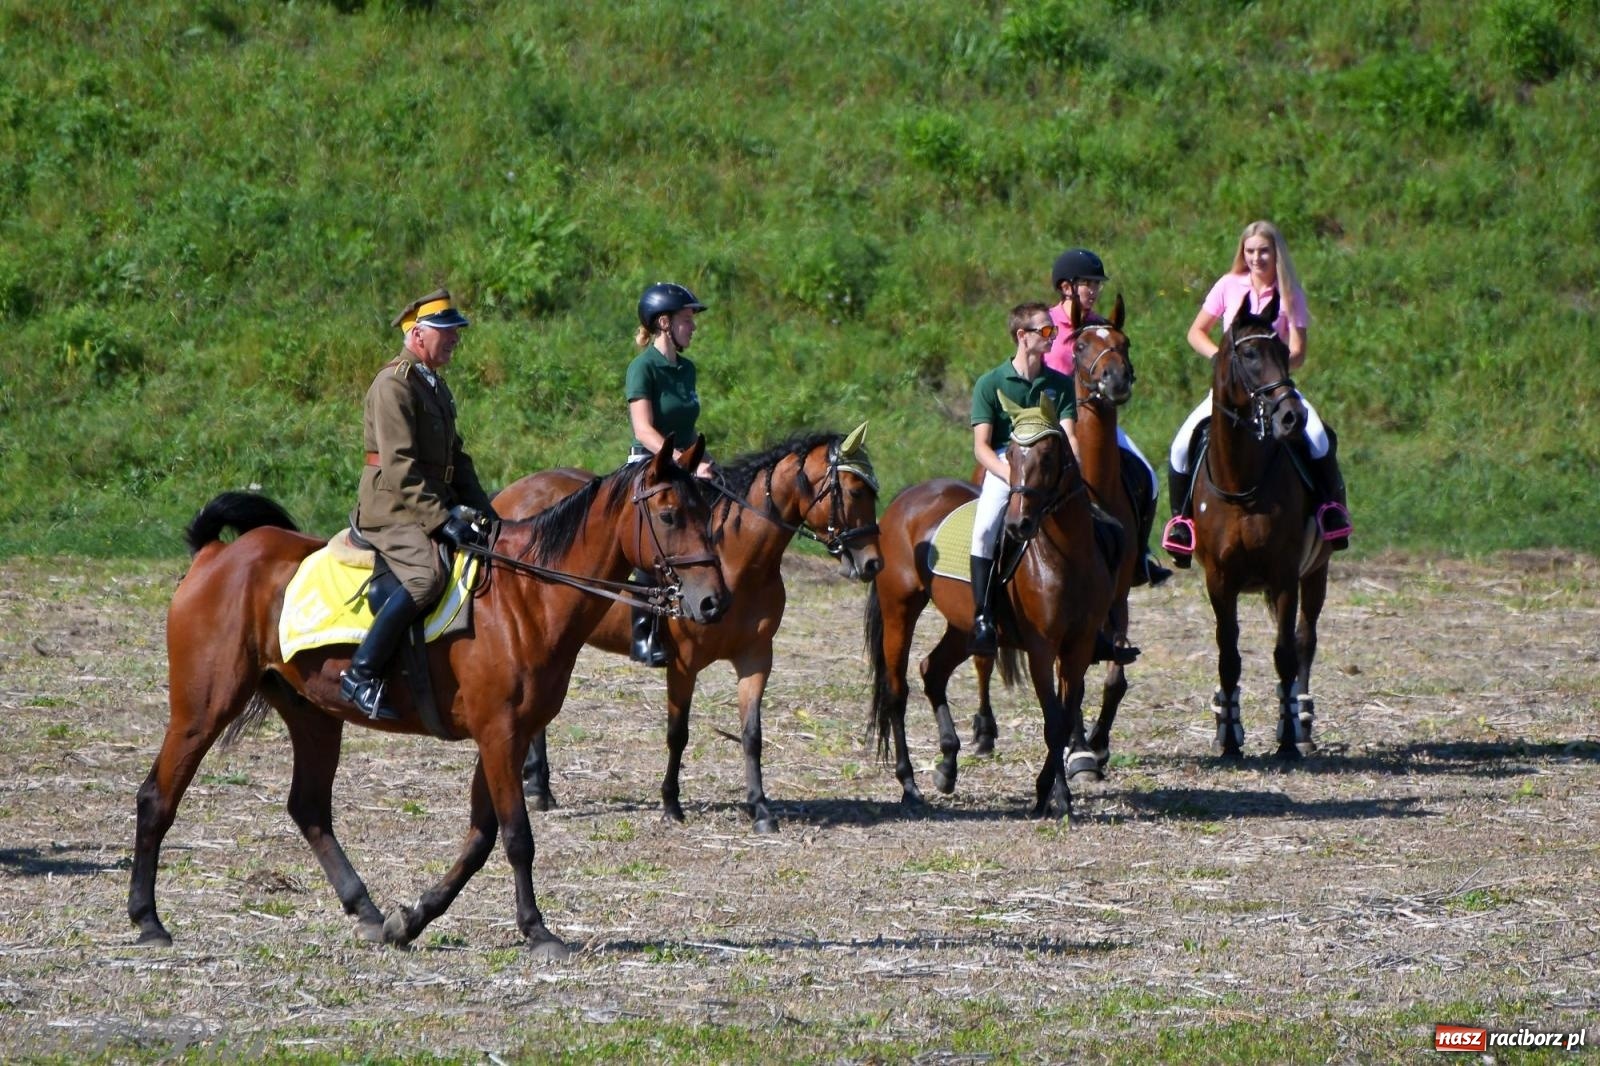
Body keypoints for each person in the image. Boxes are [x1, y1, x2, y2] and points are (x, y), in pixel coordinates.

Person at [341, 288, 496, 721]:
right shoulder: (394, 383)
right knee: (427, 578)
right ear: (418, 333)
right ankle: (361, 673)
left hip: (426, 498)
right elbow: (399, 467)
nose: (456, 338)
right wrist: (441, 520)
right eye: (447, 331)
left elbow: (456, 459)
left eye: (456, 330)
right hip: (391, 507)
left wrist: (488, 513)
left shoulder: (432, 384)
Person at [1163, 221, 1353, 567]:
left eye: (1263, 251)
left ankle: (1330, 510)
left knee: (1317, 437)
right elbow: (1196, 332)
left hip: (1273, 389)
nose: (1256, 258)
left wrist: (1272, 371)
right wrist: (1223, 362)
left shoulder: (1291, 293)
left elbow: (1298, 352)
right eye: (1250, 251)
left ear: (1276, 252)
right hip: (1229, 392)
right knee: (1180, 446)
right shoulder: (1228, 285)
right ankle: (1182, 522)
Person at [1046, 248, 1171, 588]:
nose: (1094, 290)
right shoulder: (1045, 325)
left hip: (1094, 421)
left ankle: (1139, 554)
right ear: (1066, 287)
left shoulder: (1101, 327)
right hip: (1048, 419)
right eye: (1087, 283)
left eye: (1097, 284)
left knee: (1147, 475)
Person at [968, 302, 1077, 655]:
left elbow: (1069, 434)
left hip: (1050, 463)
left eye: (1053, 330)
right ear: (1022, 336)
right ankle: (983, 616)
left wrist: (1074, 466)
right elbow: (981, 447)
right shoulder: (991, 383)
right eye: (1045, 330)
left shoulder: (1060, 384)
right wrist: (1010, 475)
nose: (1052, 335)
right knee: (985, 529)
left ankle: (1100, 617)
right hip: (1008, 462)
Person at [624, 281, 714, 665]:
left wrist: (702, 462)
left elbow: (688, 425)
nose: (693, 327)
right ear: (664, 323)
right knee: (651, 534)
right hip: (650, 464)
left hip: (683, 464)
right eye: (686, 319)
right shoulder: (642, 367)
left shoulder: (687, 369)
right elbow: (644, 430)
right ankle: (643, 632)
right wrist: (680, 460)